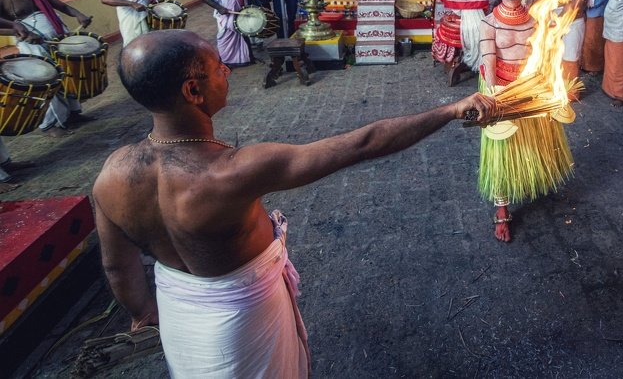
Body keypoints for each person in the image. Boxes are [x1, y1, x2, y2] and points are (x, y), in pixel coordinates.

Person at [92, 30, 496, 377]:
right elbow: (364, 143)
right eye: (218, 66)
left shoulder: (112, 174)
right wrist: (451, 108)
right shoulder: (231, 171)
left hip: (180, 314)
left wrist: (146, 313)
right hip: (241, 323)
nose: (227, 70)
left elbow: (117, 265)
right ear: (192, 91)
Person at [478, 0, 574, 242]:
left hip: (530, 89)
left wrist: (555, 86)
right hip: (501, 90)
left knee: (533, 145)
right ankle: (502, 209)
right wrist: (495, 98)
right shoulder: (489, 23)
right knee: (501, 153)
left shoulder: (537, 20)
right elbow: (488, 62)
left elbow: (546, 56)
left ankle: (533, 179)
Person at [0, 0, 93, 139]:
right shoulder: (3, 1)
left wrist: (79, 15)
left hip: (56, 41)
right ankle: (49, 125)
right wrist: (23, 33)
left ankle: (73, 114)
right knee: (48, 83)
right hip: (33, 47)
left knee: (67, 77)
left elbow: (61, 6)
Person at [560, 0, 593, 84]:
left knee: (571, 57)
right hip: (567, 25)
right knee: (564, 54)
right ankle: (562, 86)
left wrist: (557, 21)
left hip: (575, 26)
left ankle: (571, 91)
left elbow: (574, 10)